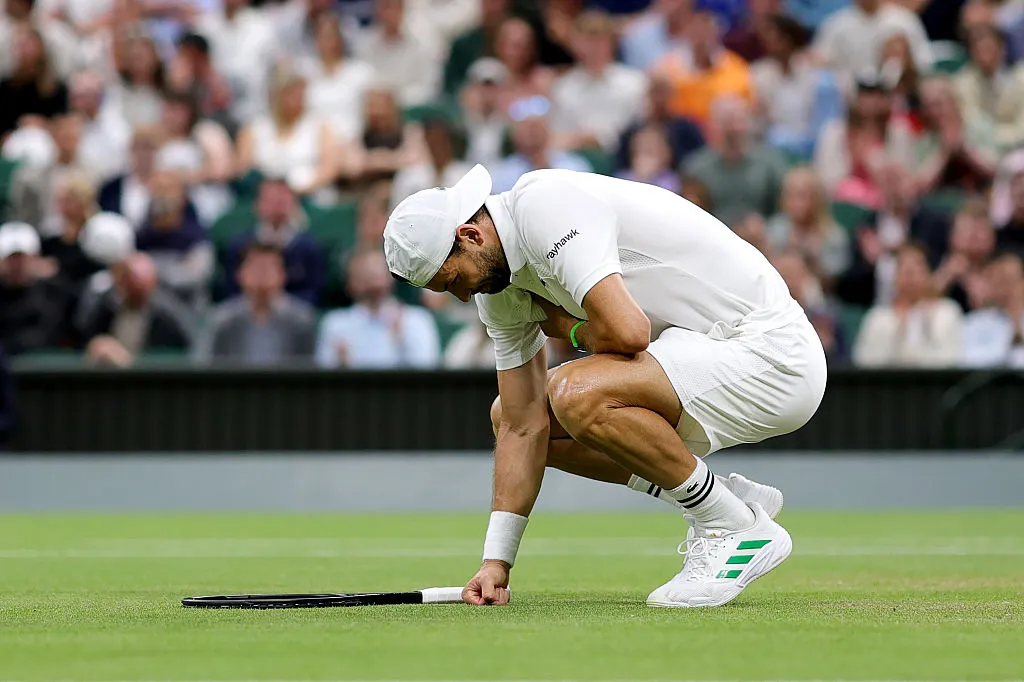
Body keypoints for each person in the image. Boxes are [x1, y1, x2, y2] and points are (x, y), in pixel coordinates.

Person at [383, 164, 827, 608]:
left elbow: (629, 333)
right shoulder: (499, 291)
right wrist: (496, 563)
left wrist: (564, 327)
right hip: (705, 355)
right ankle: (724, 503)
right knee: (512, 415)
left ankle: (734, 526)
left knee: (576, 393)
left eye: (455, 279)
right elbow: (521, 425)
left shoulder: (543, 205)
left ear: (471, 236)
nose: (463, 297)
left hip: (772, 355)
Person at [196, 241, 317, 365]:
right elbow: (205, 366)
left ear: (283, 275)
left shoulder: (301, 321)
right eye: (255, 267)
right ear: (240, 274)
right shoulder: (221, 320)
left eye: (269, 268)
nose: (262, 274)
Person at [316, 248, 441, 368]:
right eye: (365, 274)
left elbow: (427, 374)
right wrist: (342, 366)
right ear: (350, 283)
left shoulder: (416, 320)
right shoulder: (335, 324)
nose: (374, 282)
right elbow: (324, 376)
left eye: (379, 273)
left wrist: (401, 342)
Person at [549, 11, 646, 154]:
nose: (592, 48)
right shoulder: (563, 88)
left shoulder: (635, 83)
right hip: (575, 161)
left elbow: (638, 133)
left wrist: (595, 139)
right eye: (586, 41)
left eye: (598, 40)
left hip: (622, 160)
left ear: (612, 43)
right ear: (574, 44)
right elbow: (557, 137)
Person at [853, 242, 963, 367]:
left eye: (917, 265)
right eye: (902, 266)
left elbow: (951, 360)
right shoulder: (877, 318)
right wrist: (900, 328)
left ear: (929, 273)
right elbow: (865, 364)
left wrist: (923, 322)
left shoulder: (947, 312)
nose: (909, 272)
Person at [75, 251, 195, 367]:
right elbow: (85, 340)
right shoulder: (107, 305)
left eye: (140, 288)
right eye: (130, 285)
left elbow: (178, 359)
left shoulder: (168, 316)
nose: (133, 291)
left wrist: (125, 359)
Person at [684, 95, 787, 227]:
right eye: (727, 121)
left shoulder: (770, 164)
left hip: (759, 239)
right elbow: (690, 214)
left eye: (740, 120)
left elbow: (784, 211)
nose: (734, 128)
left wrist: (766, 228)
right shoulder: (696, 169)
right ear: (713, 125)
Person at [222, 177, 327, 306]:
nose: (277, 206)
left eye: (283, 200)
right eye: (271, 199)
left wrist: (281, 304)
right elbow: (231, 290)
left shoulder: (309, 246)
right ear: (257, 204)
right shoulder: (239, 244)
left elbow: (314, 290)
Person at [490, 95, 591, 193]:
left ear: (548, 130)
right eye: (528, 128)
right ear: (515, 135)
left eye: (537, 127)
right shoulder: (504, 173)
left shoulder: (572, 166)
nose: (533, 134)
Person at [954, 24, 1024, 155]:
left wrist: (999, 138)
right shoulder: (963, 83)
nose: (984, 56)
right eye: (978, 50)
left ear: (1002, 49)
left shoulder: (1021, 77)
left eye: (989, 49)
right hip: (980, 152)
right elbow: (972, 124)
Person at [0, 221, 65, 355]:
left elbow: (45, 336)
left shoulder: (52, 294)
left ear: (35, 258)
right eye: (11, 258)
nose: (16, 265)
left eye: (22, 258)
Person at [961, 252, 1024, 367]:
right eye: (999, 280)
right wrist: (1009, 341)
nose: (1006, 288)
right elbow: (968, 360)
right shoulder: (975, 322)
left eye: (1010, 280)